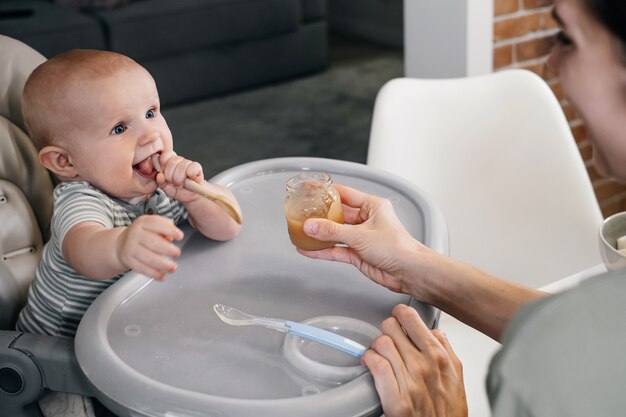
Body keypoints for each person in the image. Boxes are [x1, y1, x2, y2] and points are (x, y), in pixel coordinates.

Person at [298, 0, 626, 415]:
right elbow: (598, 333)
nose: (551, 63)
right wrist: (413, 264)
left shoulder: (539, 381)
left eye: (566, 38)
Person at [15, 49, 242, 417]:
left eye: (151, 112)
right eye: (120, 128)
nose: (151, 133)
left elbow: (229, 226)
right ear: (65, 162)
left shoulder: (162, 182)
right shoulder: (80, 199)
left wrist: (199, 196)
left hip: (128, 324)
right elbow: (83, 250)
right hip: (60, 351)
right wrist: (122, 245)